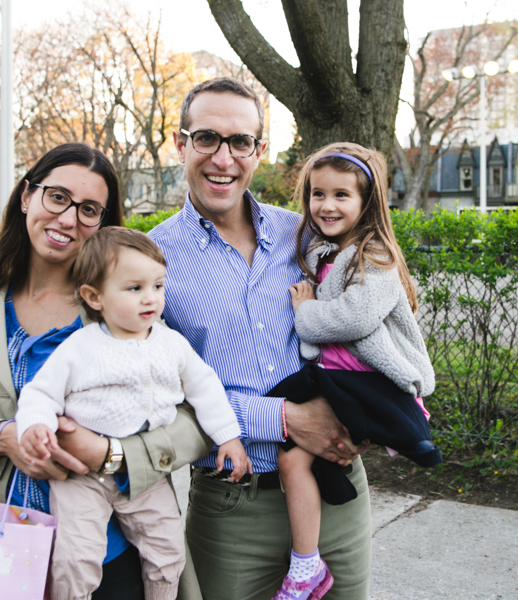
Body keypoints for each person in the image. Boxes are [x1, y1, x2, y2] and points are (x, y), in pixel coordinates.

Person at [0, 143, 212, 600]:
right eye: (57, 197)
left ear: (103, 225)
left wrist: (110, 454)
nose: (68, 219)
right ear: (28, 197)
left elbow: (192, 418)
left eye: (89, 210)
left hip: (103, 556)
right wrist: (4, 437)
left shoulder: (123, 309)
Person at [148, 77, 373, 600]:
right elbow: (158, 395)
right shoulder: (150, 260)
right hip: (232, 510)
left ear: (258, 151)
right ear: (181, 144)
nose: (222, 158)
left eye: (239, 142)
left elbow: (371, 322)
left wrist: (371, 416)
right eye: (206, 138)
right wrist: (285, 418)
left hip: (336, 489)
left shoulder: (310, 234)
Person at [15, 226, 250, 600]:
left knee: (168, 546)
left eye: (158, 286)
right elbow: (40, 393)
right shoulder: (80, 347)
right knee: (76, 557)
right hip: (80, 479)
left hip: (142, 475)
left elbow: (205, 387)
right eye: (134, 288)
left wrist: (229, 437)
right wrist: (35, 427)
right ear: (94, 297)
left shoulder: (171, 343)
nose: (150, 299)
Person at [270, 142, 439, 599]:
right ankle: (310, 552)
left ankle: (306, 568)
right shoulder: (332, 252)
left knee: (288, 446)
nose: (326, 205)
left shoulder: (375, 254)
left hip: (366, 382)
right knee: (291, 443)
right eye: (317, 194)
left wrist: (304, 314)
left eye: (341, 195)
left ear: (366, 203)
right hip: (340, 377)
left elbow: (354, 319)